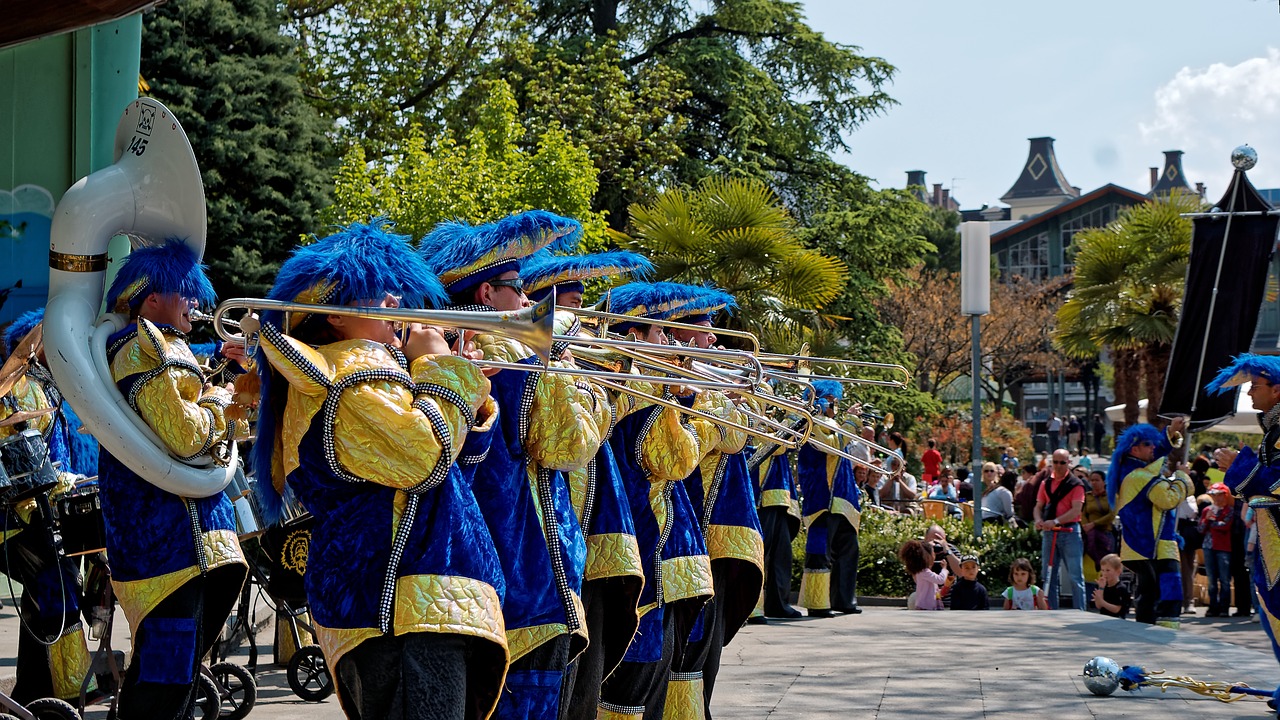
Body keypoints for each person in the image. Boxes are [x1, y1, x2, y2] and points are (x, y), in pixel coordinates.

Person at [252, 222, 506, 719]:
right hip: (398, 606)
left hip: (423, 600)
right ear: (335, 316)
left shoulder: (380, 375)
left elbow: (453, 480)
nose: (396, 300)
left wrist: (464, 393)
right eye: (378, 289)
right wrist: (441, 371)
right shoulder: (350, 377)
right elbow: (424, 460)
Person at [420, 212, 608, 719]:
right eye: (518, 287)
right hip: (529, 562)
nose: (528, 301)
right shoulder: (512, 355)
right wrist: (589, 389)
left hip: (487, 562)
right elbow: (568, 446)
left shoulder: (445, 354)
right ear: (486, 295)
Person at [99, 239, 249, 717]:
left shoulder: (166, 347)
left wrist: (228, 388)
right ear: (151, 299)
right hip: (167, 545)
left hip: (190, 540)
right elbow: (185, 435)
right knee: (163, 681)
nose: (195, 302)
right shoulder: (143, 346)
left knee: (178, 676)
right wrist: (221, 402)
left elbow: (200, 423)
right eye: (183, 290)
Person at [520, 250, 653, 720]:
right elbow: (571, 444)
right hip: (554, 532)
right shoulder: (531, 355)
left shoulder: (574, 360)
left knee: (582, 677)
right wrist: (595, 390)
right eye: (572, 305)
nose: (584, 317)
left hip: (585, 530)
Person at [592, 282, 718, 720]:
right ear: (633, 338)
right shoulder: (641, 392)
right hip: (643, 539)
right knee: (636, 680)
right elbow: (677, 459)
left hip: (654, 539)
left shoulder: (649, 389)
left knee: (655, 672)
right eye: (660, 333)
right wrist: (686, 403)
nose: (670, 342)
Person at [662, 283, 764, 719]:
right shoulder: (676, 386)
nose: (715, 339)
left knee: (708, 643)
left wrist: (733, 400)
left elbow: (741, 436)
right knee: (692, 641)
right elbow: (690, 451)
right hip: (693, 527)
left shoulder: (707, 385)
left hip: (722, 530)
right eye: (705, 329)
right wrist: (720, 409)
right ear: (682, 335)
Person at [0, 311, 99, 703]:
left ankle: (33, 691)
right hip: (17, 517)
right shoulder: (16, 389)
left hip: (50, 510)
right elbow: (22, 460)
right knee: (58, 589)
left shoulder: (55, 385)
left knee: (43, 598)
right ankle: (73, 688)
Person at [1107, 420, 1190, 628]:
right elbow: (1168, 499)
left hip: (1148, 546)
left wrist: (1170, 432)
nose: (1154, 447)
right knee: (1159, 596)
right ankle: (1154, 638)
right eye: (1148, 444)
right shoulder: (1140, 476)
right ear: (1135, 449)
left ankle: (1157, 637)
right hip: (1150, 547)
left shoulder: (1132, 469)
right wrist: (1182, 478)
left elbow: (1155, 451)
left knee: (1156, 594)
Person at [1033, 448, 1087, 610]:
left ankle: (1080, 612)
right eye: (1055, 462)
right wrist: (1038, 520)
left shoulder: (1076, 484)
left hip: (1069, 532)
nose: (1058, 466)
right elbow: (1038, 506)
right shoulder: (1046, 483)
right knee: (1049, 576)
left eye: (1062, 462)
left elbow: (1076, 510)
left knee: (1075, 576)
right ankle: (1051, 612)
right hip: (1050, 533)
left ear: (1069, 463)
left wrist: (1055, 521)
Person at [1199, 482, 1235, 617]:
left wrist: (1211, 523)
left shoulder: (1229, 510)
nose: (1217, 498)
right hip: (1208, 547)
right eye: (1214, 495)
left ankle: (1224, 608)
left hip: (1223, 547)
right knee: (1211, 579)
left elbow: (1225, 526)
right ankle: (1212, 606)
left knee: (1225, 579)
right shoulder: (1206, 510)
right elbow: (1201, 529)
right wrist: (1208, 521)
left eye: (1220, 495)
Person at [1081, 470, 1115, 572]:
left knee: (1108, 563)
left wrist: (1094, 524)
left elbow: (1112, 514)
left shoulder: (1110, 496)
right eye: (1092, 480)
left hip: (1105, 533)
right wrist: (1086, 525)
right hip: (1089, 534)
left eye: (1097, 480)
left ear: (1104, 482)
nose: (1094, 483)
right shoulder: (1087, 496)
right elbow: (1082, 513)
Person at [899, 540, 947, 611]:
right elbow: (940, 580)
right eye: (933, 552)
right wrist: (944, 569)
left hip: (926, 605)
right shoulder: (924, 572)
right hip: (927, 606)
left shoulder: (919, 572)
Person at [1092, 554, 1132, 619]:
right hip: (1103, 618)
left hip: (1117, 620)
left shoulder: (1121, 588)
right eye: (1102, 570)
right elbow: (1098, 606)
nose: (1104, 573)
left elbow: (1117, 609)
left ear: (1118, 571)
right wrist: (1101, 588)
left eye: (1108, 570)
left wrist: (1102, 602)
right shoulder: (1103, 586)